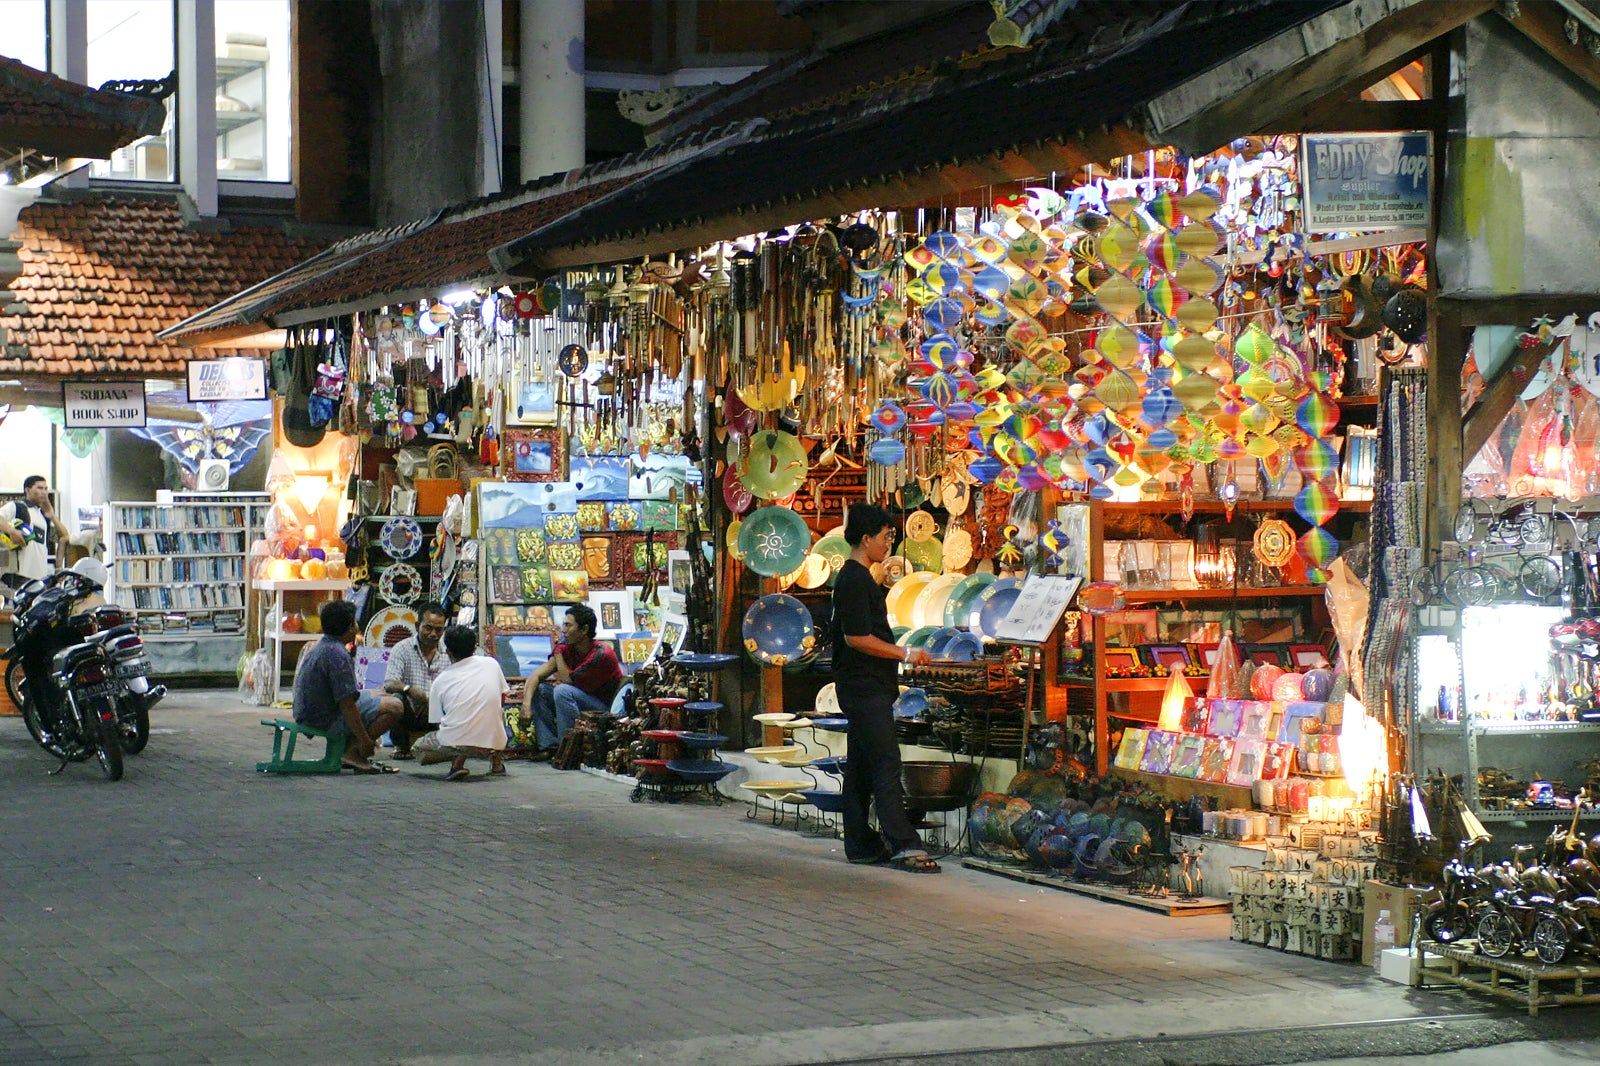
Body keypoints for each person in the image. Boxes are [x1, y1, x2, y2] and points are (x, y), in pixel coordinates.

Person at [831, 503, 938, 873]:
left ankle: (860, 844)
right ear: (866, 539)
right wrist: (904, 652)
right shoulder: (854, 580)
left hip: (866, 686)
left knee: (861, 767)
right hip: (864, 688)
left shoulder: (859, 578)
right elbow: (857, 637)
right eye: (885, 537)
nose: (888, 544)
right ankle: (903, 844)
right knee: (886, 762)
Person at [292, 599, 405, 773]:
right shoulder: (337, 655)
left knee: (381, 693)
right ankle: (354, 753)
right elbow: (347, 705)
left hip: (310, 712)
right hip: (323, 718)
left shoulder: (324, 645)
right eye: (355, 623)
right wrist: (365, 740)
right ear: (351, 627)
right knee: (396, 706)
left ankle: (350, 749)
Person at [518, 604, 622, 760]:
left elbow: (567, 680)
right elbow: (535, 676)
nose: (564, 630)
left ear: (584, 629)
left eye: (568, 625)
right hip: (579, 699)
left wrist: (558, 653)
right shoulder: (568, 648)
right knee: (540, 689)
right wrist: (526, 706)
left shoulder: (601, 653)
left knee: (562, 691)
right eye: (564, 625)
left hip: (604, 708)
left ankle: (567, 749)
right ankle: (549, 746)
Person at [423, 625, 510, 781]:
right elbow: (502, 697)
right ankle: (497, 764)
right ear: (474, 648)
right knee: (496, 713)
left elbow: (437, 721)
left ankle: (457, 764)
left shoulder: (440, 681)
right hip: (494, 739)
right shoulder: (492, 664)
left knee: (419, 748)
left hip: (456, 741)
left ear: (448, 652)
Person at [381, 601, 449, 759]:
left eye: (439, 630)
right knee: (396, 699)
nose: (433, 634)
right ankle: (401, 745)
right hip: (410, 712)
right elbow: (389, 683)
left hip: (439, 714)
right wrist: (409, 690)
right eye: (428, 628)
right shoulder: (402, 648)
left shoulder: (449, 651)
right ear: (417, 626)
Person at [0, 475, 71, 592]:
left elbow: (64, 537)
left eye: (46, 489)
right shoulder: (17, 507)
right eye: (39, 488)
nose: (44, 492)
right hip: (19, 577)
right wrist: (11, 531)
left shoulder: (42, 517)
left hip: (40, 580)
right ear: (28, 490)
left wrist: (52, 516)